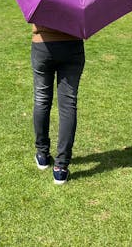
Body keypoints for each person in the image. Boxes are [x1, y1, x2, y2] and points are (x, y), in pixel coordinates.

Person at [31, 24, 85, 185]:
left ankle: (42, 154)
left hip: (43, 45)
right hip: (72, 45)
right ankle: (60, 168)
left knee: (41, 100)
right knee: (68, 105)